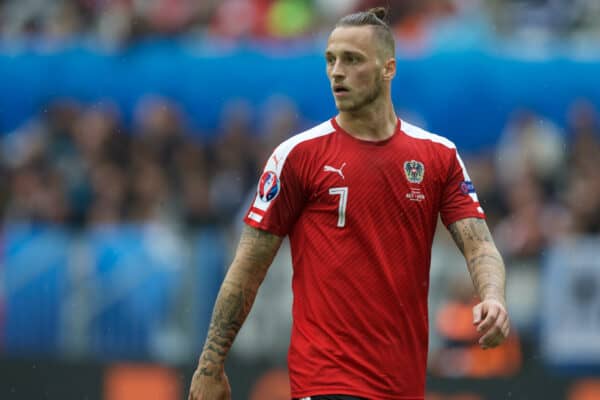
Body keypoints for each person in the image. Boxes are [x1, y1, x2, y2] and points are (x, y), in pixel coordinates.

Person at [188, 7, 510, 400]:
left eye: (352, 60)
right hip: (326, 382)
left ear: (388, 68)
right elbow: (248, 268)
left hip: (403, 386)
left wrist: (493, 297)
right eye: (330, 59)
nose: (337, 71)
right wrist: (211, 363)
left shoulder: (437, 156)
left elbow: (479, 244)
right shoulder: (297, 156)